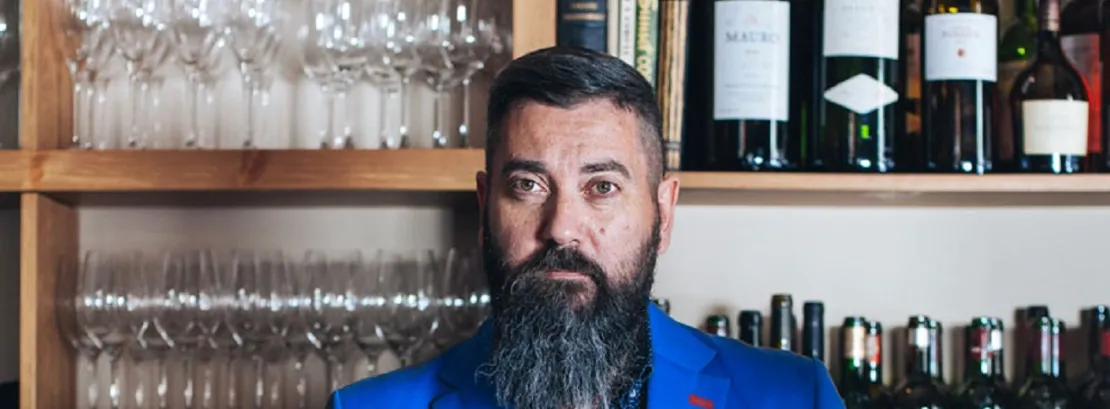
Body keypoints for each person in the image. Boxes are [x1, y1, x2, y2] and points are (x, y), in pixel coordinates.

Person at [327, 46, 845, 409]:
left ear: (663, 215)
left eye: (602, 187)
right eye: (528, 185)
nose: (561, 228)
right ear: (485, 209)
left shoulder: (798, 397)